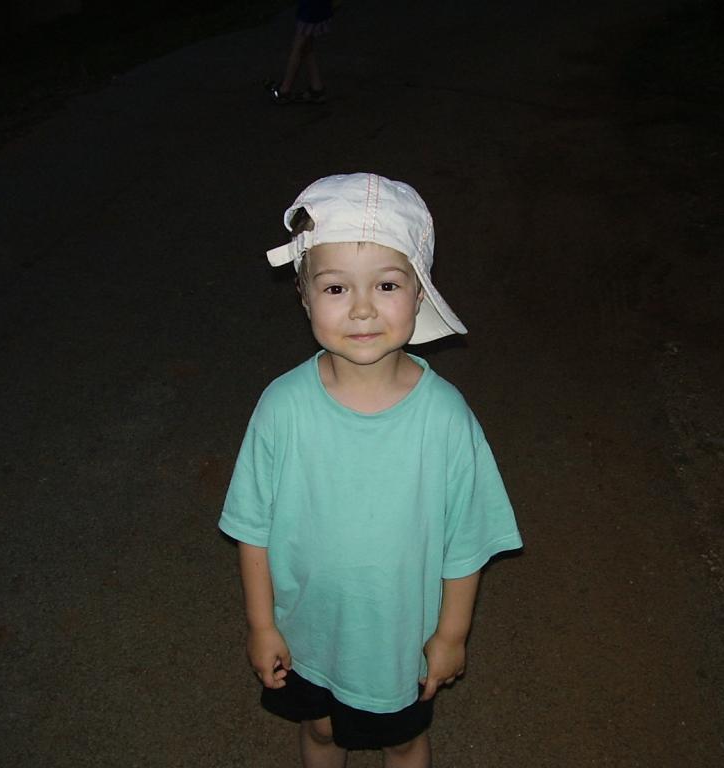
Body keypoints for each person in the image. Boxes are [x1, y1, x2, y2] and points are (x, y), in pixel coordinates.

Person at [219, 173, 523, 767]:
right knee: (321, 731)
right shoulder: (281, 407)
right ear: (304, 296)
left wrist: (452, 635)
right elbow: (252, 527)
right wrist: (261, 625)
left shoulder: (445, 418)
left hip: (396, 642)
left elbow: (467, 541)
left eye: (386, 284)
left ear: (420, 293)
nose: (361, 308)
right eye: (335, 288)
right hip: (306, 634)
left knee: (402, 741)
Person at [267, 0, 333, 104]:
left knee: (298, 46)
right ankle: (317, 88)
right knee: (306, 45)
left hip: (311, 10)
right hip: (316, 8)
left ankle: (284, 90)